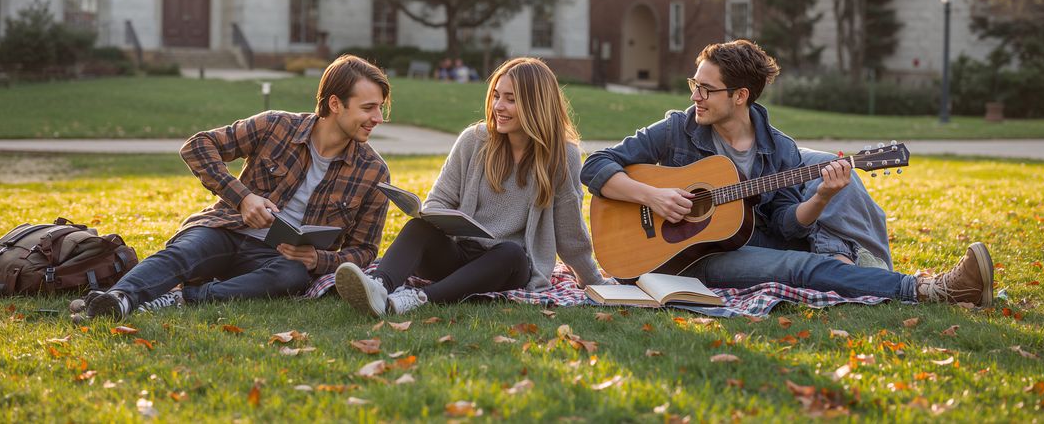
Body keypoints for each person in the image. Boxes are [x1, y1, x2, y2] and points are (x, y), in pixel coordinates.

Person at [580, 40, 993, 307]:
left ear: (740, 96)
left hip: (722, 251)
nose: (695, 96)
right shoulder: (677, 128)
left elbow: (785, 224)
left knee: (800, 262)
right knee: (802, 267)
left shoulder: (779, 150)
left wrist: (821, 197)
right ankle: (925, 289)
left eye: (706, 89)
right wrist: (652, 196)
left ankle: (923, 286)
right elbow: (595, 166)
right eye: (695, 84)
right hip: (665, 262)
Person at [70, 55, 392, 320]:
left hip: (276, 260)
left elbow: (364, 251)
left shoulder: (374, 172)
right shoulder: (277, 125)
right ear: (335, 103)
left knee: (290, 277)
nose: (378, 117)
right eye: (368, 108)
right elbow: (198, 146)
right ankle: (118, 300)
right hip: (226, 229)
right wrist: (243, 199)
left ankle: (181, 299)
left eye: (380, 108)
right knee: (185, 251)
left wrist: (315, 260)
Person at [335, 57, 606, 316]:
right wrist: (441, 219)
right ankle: (379, 287)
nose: (498, 105)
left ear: (536, 104)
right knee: (419, 226)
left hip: (505, 266)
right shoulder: (473, 140)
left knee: (511, 253)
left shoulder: (562, 155)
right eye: (497, 96)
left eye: (510, 99)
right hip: (459, 254)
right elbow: (437, 202)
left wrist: (594, 281)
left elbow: (570, 232)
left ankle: (419, 299)